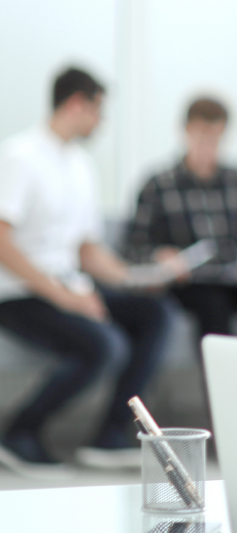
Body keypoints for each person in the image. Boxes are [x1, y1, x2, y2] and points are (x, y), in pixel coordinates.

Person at [0, 67, 172, 477]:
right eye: (99, 110)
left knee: (156, 314)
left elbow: (87, 250)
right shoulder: (19, 156)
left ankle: (110, 435)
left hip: (69, 285)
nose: (101, 122)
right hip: (19, 292)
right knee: (107, 345)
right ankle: (18, 433)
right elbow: (3, 242)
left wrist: (136, 277)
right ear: (77, 103)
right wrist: (67, 298)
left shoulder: (79, 165)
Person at [124, 97, 237, 342]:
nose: (208, 145)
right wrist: (160, 257)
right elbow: (132, 247)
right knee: (213, 303)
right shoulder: (158, 186)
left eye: (215, 137)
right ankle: (219, 380)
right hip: (191, 285)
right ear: (186, 131)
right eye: (202, 136)